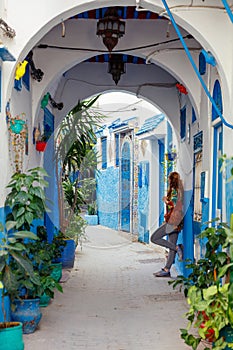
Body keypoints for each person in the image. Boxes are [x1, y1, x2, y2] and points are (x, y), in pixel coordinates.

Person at [150, 171, 184, 277]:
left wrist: (166, 201)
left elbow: (175, 206)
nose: (168, 181)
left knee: (154, 238)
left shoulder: (175, 191)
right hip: (176, 222)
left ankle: (177, 248)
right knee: (171, 246)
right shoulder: (180, 191)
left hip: (172, 222)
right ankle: (166, 269)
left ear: (171, 180)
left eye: (169, 179)